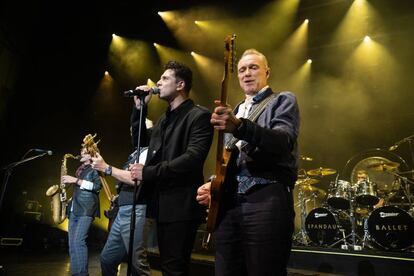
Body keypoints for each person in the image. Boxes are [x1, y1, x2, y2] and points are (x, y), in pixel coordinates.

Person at [196, 49, 300, 276]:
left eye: (253, 67)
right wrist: (214, 184)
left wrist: (241, 127)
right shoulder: (234, 111)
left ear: (267, 72)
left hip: (266, 198)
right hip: (229, 205)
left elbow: (283, 142)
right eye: (242, 69)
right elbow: (228, 160)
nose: (246, 74)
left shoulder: (282, 100)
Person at [129, 60, 214, 276]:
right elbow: (140, 142)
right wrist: (140, 109)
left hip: (182, 204)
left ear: (180, 85)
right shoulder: (163, 120)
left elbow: (192, 158)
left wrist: (148, 173)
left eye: (165, 78)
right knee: (168, 266)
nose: (158, 82)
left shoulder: (199, 115)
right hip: (162, 203)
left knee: (174, 268)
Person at [91, 120, 154, 276]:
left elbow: (136, 179)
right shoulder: (136, 152)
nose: (133, 132)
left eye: (137, 129)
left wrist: (106, 167)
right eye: (132, 129)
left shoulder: (149, 151)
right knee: (107, 259)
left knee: (137, 264)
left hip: (136, 210)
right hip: (124, 210)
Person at [61, 134, 102, 276]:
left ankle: (82, 274)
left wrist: (76, 181)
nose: (81, 153)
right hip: (74, 208)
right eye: (81, 152)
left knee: (79, 241)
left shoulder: (95, 168)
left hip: (86, 209)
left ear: (91, 154)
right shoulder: (81, 169)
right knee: (72, 244)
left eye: (84, 152)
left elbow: (97, 187)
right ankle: (75, 273)